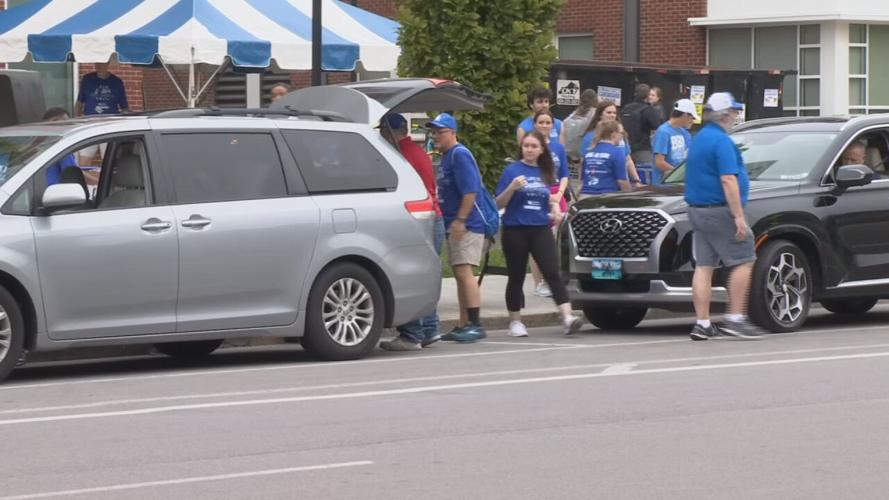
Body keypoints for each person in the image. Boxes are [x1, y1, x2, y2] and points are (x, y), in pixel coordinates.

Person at [686, 92, 764, 341]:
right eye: (734, 112)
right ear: (725, 114)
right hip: (720, 210)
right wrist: (739, 217)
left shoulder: (700, 138)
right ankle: (736, 318)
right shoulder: (722, 142)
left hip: (697, 210)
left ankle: (703, 322)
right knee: (744, 258)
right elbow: (728, 179)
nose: (736, 116)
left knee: (704, 265)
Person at [496, 131, 584, 337]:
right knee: (516, 275)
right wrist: (511, 188)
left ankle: (567, 316)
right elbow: (498, 203)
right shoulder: (512, 170)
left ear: (541, 150)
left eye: (534, 146)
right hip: (515, 228)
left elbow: (548, 198)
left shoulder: (545, 172)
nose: (529, 150)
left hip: (540, 228)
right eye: (526, 146)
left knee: (552, 271)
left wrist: (554, 208)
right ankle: (515, 322)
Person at [378, 114, 446, 351]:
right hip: (433, 216)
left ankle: (412, 334)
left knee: (412, 272)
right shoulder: (417, 152)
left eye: (384, 131)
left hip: (419, 220)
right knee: (426, 273)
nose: (382, 136)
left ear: (392, 131)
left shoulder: (401, 156)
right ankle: (430, 328)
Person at [428, 113, 487, 343]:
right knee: (460, 273)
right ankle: (463, 324)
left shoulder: (460, 155)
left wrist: (461, 220)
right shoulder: (447, 157)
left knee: (465, 271)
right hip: (454, 223)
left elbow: (470, 191)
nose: (436, 137)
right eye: (434, 132)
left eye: (440, 132)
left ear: (453, 133)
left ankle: (475, 323)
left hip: (468, 224)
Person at [528, 110, 570, 297]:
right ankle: (539, 282)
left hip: (557, 194)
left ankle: (555, 278)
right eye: (541, 122)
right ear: (535, 124)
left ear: (553, 125)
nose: (544, 125)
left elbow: (565, 175)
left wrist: (559, 194)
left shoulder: (558, 148)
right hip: (539, 194)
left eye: (548, 122)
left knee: (558, 239)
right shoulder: (530, 146)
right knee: (537, 238)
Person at [580, 101, 643, 187]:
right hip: (599, 184)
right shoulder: (590, 136)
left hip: (621, 183)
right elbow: (584, 162)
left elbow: (628, 160)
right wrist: (581, 184)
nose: (612, 115)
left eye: (614, 113)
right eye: (608, 112)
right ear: (600, 115)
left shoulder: (621, 133)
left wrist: (636, 180)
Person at [651, 99, 698, 184]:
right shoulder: (663, 132)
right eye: (692, 117)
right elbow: (659, 162)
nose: (692, 121)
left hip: (679, 181)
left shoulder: (685, 133)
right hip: (664, 182)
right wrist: (678, 174)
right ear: (685, 115)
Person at [620, 84, 661, 175]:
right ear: (647, 96)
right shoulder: (648, 109)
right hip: (642, 148)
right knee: (645, 176)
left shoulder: (626, 108)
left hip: (626, 147)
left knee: (627, 174)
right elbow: (655, 125)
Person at [581, 121, 631, 195]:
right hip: (607, 194)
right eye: (621, 133)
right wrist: (629, 194)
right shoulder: (617, 152)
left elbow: (582, 178)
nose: (622, 136)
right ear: (613, 134)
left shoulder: (589, 151)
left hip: (586, 193)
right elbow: (621, 180)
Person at [41, 108, 79, 186]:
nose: (69, 127)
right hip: (57, 194)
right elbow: (72, 176)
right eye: (66, 124)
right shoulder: (61, 146)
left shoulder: (38, 146)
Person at [563, 89, 598, 165]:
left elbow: (564, 123)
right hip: (585, 153)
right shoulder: (595, 113)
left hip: (569, 153)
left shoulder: (575, 113)